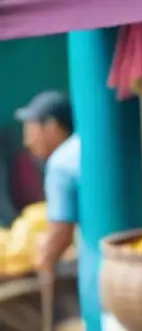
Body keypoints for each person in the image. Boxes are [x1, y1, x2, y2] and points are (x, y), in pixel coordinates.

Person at [16, 91, 78, 272]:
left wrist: (43, 260)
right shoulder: (83, 145)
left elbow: (60, 236)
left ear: (51, 127)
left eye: (31, 129)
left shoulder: (61, 163)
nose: (27, 141)